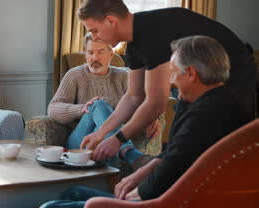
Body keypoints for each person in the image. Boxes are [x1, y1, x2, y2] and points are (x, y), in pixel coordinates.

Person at [40, 35, 249, 207]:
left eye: (173, 73)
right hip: (84, 145)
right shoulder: (222, 105)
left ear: (192, 74)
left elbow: (173, 166)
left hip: (161, 201)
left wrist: (139, 192)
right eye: (90, 52)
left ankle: (123, 161)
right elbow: (174, 155)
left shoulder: (203, 116)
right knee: (73, 191)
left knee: (51, 206)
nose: (171, 80)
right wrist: (139, 174)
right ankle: (131, 155)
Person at [78, 0, 255, 161]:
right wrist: (100, 134)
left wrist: (118, 139)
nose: (94, 36)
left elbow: (156, 103)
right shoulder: (133, 45)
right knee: (181, 143)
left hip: (235, 68)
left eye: (94, 30)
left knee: (228, 143)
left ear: (110, 21)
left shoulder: (151, 34)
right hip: (195, 80)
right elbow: (133, 97)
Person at [48, 32, 151, 169]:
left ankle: (110, 183)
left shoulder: (123, 76)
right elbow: (53, 108)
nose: (94, 58)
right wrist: (82, 108)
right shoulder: (74, 75)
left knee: (103, 133)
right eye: (90, 52)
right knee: (98, 105)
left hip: (106, 140)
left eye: (100, 52)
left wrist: (152, 117)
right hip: (80, 141)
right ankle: (129, 152)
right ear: (85, 54)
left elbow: (142, 103)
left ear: (111, 55)